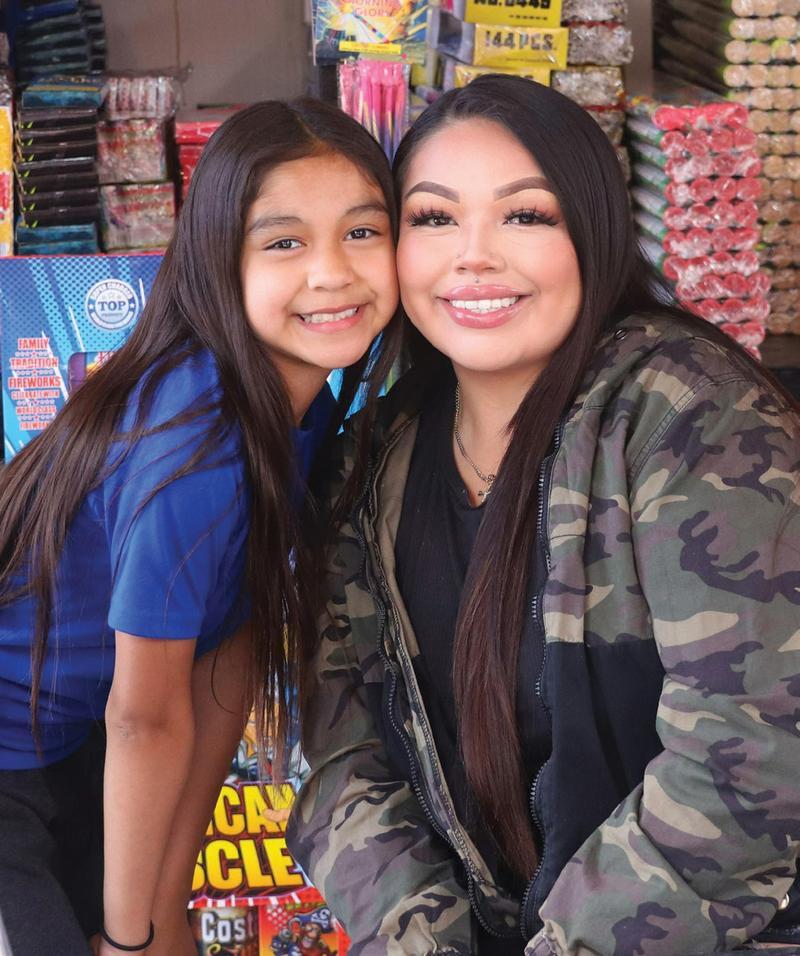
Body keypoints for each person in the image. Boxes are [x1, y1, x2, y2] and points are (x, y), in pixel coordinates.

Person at [287, 75, 800, 956]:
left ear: (592, 232)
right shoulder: (376, 454)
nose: (473, 256)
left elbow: (752, 759)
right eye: (434, 219)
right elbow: (342, 758)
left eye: (526, 216)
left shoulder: (689, 419)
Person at [0, 98, 400, 956]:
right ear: (221, 261)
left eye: (363, 233)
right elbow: (145, 718)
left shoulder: (301, 411)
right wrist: (133, 936)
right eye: (285, 242)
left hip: (66, 748)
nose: (332, 273)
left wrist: (167, 905)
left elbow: (227, 662)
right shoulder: (200, 430)